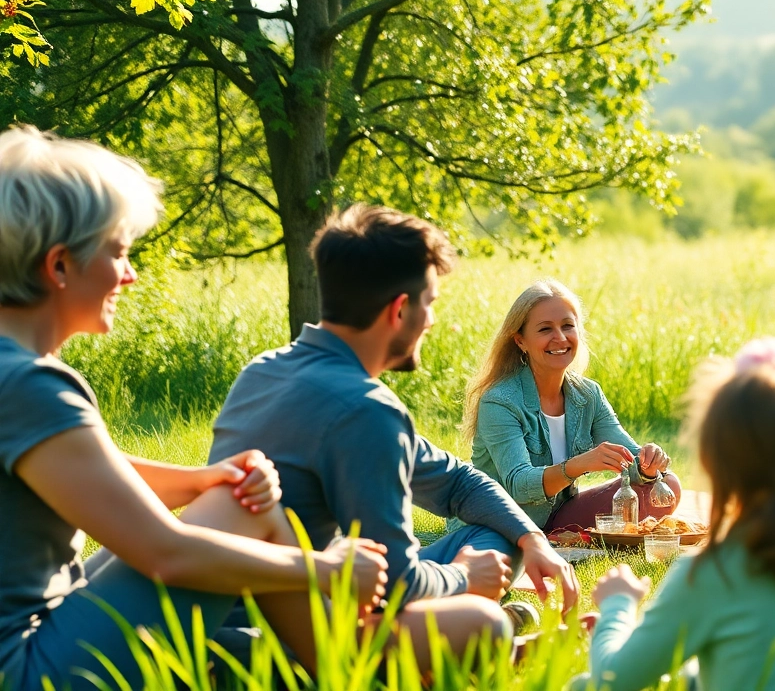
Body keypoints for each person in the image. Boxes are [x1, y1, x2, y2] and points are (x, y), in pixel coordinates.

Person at [0, 126, 388, 691]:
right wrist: (326, 570)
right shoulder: (31, 385)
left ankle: (343, 668)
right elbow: (167, 555)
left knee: (232, 498)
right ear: (59, 266)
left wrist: (204, 478)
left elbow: (83, 471)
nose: (129, 274)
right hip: (29, 670)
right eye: (118, 253)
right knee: (244, 508)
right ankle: (360, 677)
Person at [210, 205, 577, 660]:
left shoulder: (261, 370)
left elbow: (460, 483)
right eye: (430, 303)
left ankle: (458, 630)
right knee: (482, 604)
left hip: (277, 600)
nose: (432, 320)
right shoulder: (366, 410)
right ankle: (467, 636)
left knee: (502, 535)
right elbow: (398, 583)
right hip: (285, 635)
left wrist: (533, 538)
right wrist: (465, 577)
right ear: (400, 309)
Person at [580, 338, 775, 690]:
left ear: (707, 461)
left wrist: (618, 604)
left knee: (582, 686)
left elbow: (612, 680)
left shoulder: (708, 572)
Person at [466, 279, 679, 531]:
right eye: (545, 329)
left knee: (668, 485)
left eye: (568, 326)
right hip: (499, 521)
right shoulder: (499, 400)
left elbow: (631, 462)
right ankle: (547, 539)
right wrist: (581, 463)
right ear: (520, 341)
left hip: (557, 517)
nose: (560, 337)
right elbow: (519, 485)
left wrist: (648, 463)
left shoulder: (588, 394)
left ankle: (556, 536)